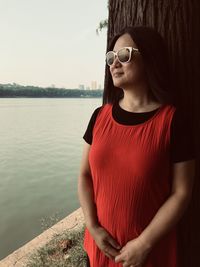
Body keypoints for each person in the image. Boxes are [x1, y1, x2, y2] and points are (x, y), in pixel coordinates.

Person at [78, 26, 196, 267]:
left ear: (150, 59)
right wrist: (93, 227)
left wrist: (144, 244)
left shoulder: (174, 122)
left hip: (149, 255)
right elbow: (84, 175)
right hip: (99, 249)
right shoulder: (99, 116)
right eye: (111, 57)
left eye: (124, 55)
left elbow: (181, 193)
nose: (114, 64)